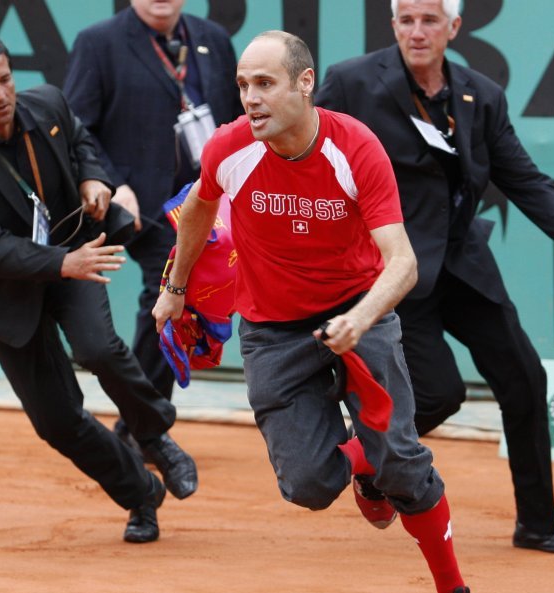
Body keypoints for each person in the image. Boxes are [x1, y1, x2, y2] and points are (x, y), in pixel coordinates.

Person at [153, 30, 471, 593]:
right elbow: (200, 207)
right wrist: (176, 285)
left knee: (402, 461)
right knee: (307, 485)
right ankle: (360, 462)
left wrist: (362, 318)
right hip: (273, 331)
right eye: (244, 85)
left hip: (356, 313)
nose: (251, 98)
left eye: (265, 84)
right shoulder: (229, 149)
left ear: (304, 84)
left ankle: (452, 586)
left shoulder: (355, 147)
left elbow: (402, 262)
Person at [315, 0, 554, 554]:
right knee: (439, 395)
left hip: (463, 263)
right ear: (394, 25)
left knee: (524, 377)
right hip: (396, 272)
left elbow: (524, 178)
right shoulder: (352, 83)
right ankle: (364, 458)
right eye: (407, 20)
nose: (417, 31)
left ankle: (538, 524)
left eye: (430, 21)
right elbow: (303, 149)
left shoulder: (480, 95)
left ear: (454, 27)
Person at [0, 30, 197, 544]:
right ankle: (141, 494)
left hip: (74, 251)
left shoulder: (47, 103)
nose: (0, 94)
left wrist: (95, 179)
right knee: (57, 421)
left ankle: (154, 435)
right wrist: (62, 262)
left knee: (99, 348)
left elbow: (80, 141)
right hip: (9, 291)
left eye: (4, 79)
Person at [63, 0, 243, 408]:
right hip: (143, 203)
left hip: (210, 198)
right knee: (165, 292)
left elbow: (238, 119)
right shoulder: (98, 43)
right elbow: (77, 130)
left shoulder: (213, 39)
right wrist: (114, 184)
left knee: (181, 299)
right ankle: (144, 419)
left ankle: (143, 420)